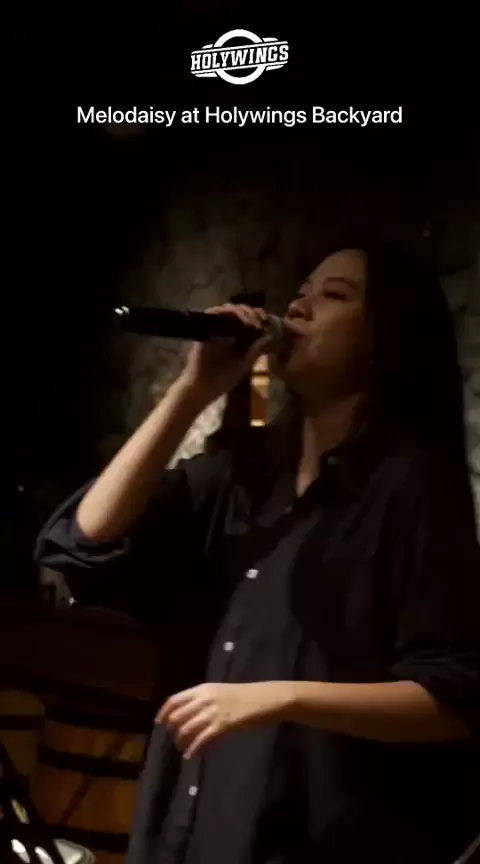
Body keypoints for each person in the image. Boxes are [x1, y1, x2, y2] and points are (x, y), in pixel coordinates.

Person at [34, 241, 480, 864]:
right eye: (301, 289)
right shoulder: (239, 475)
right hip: (187, 830)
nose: (299, 305)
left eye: (334, 295)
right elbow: (83, 541)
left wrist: (282, 696)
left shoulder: (412, 488)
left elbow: (454, 700)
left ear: (383, 341)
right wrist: (193, 391)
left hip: (313, 840)